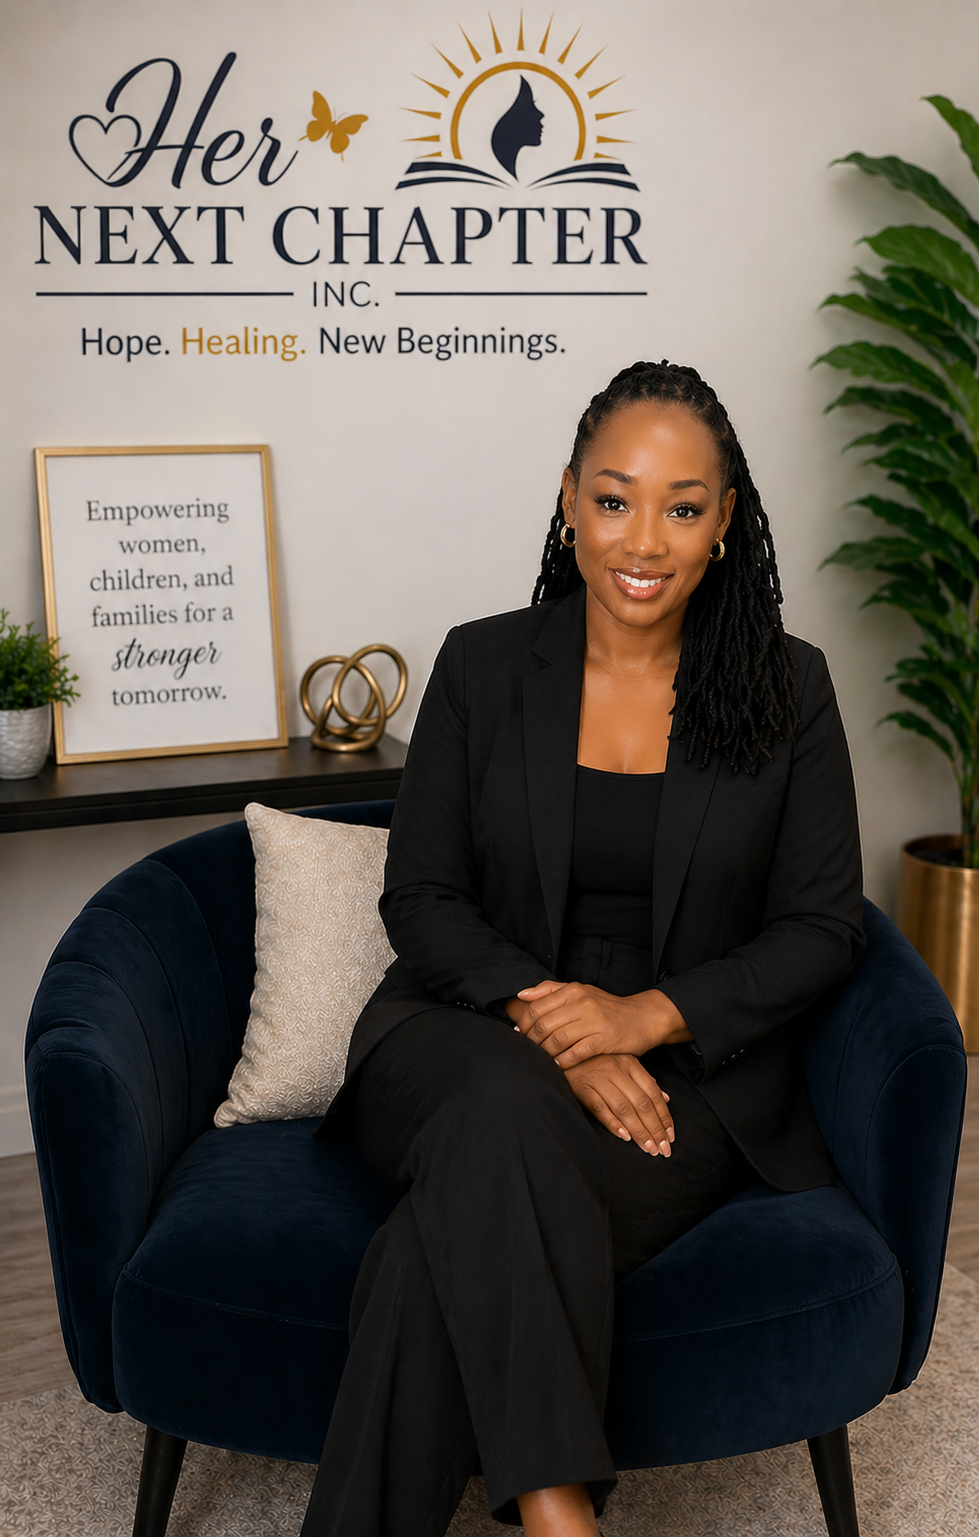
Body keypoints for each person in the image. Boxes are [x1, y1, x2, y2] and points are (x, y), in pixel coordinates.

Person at [301, 360, 864, 1537]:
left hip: (682, 1084)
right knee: (500, 1103)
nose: (643, 538)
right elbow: (423, 895)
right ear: (568, 501)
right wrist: (555, 1022)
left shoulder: (789, 689)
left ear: (726, 524)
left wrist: (642, 1020)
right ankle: (565, 1519)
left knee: (428, 1254)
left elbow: (822, 929)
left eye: (683, 505)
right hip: (457, 1033)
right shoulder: (484, 665)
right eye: (614, 499)